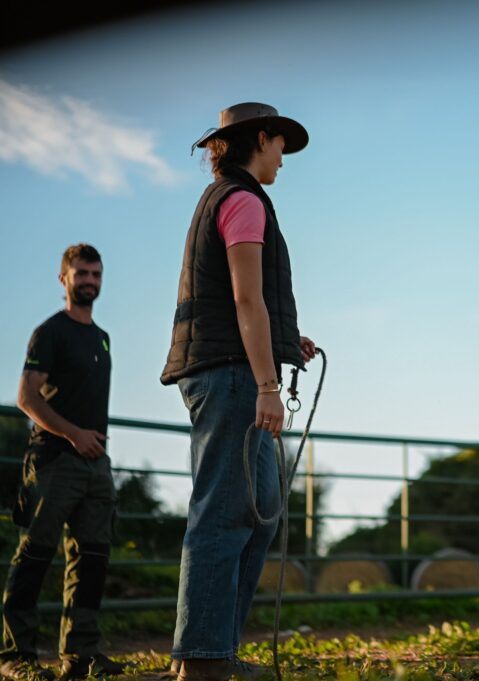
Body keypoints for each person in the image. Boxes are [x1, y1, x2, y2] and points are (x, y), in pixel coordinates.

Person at [160, 103, 316, 681]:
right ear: (261, 139)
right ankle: (203, 662)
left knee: (261, 511)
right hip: (231, 377)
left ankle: (215, 649)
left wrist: (284, 341)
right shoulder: (243, 200)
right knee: (225, 513)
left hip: (235, 368)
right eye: (280, 147)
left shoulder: (235, 199)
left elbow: (248, 302)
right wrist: (268, 385)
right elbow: (245, 300)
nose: (283, 160)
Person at [2, 245, 127, 681]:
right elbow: (26, 397)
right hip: (54, 460)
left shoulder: (102, 337)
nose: (90, 280)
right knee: (35, 556)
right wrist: (74, 434)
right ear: (64, 279)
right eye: (81, 273)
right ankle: (15, 655)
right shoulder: (49, 332)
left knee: (92, 559)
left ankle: (81, 654)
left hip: (96, 466)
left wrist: (92, 445)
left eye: (96, 273)